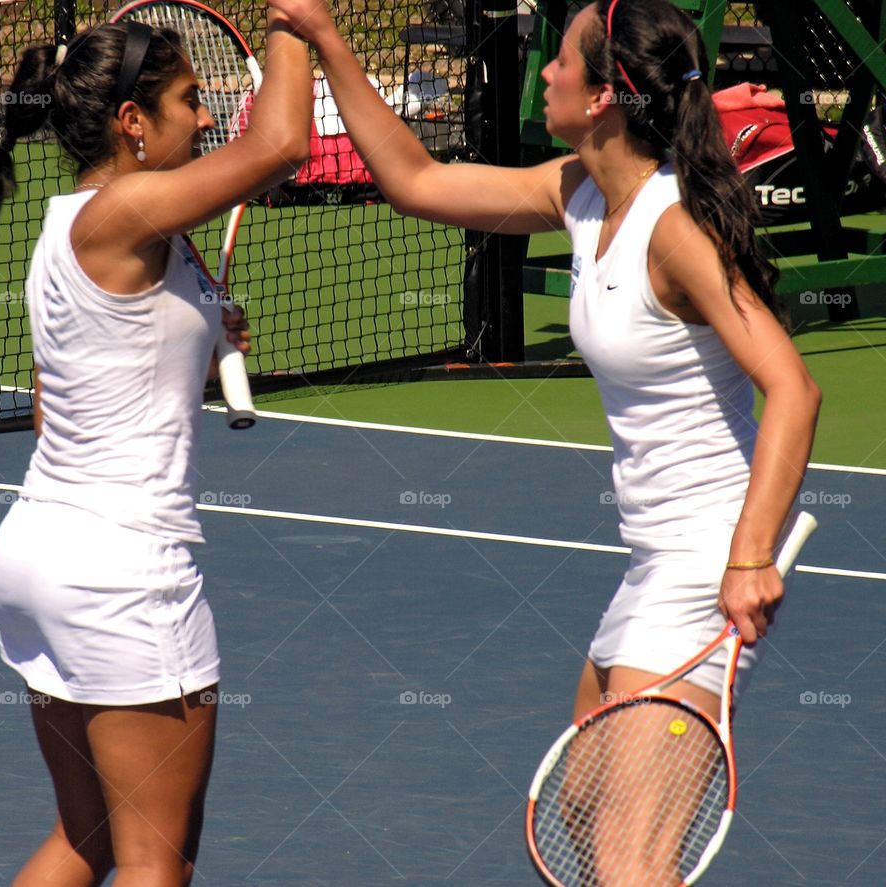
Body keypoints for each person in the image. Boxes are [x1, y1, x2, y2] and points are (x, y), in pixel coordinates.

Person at [270, 0, 821, 878]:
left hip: (705, 562)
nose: (549, 74)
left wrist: (751, 557)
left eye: (562, 62)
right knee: (584, 808)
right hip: (654, 562)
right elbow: (416, 182)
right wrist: (330, 42)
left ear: (604, 95)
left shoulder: (675, 228)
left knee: (624, 854)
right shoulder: (580, 191)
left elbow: (793, 386)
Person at [0, 8, 312, 886]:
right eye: (190, 100)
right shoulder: (133, 208)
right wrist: (300, 20)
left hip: (39, 556)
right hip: (124, 573)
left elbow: (60, 406)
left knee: (90, 836)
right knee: (159, 859)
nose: (205, 117)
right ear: (132, 122)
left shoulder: (73, 225)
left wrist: (193, 331)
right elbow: (282, 143)